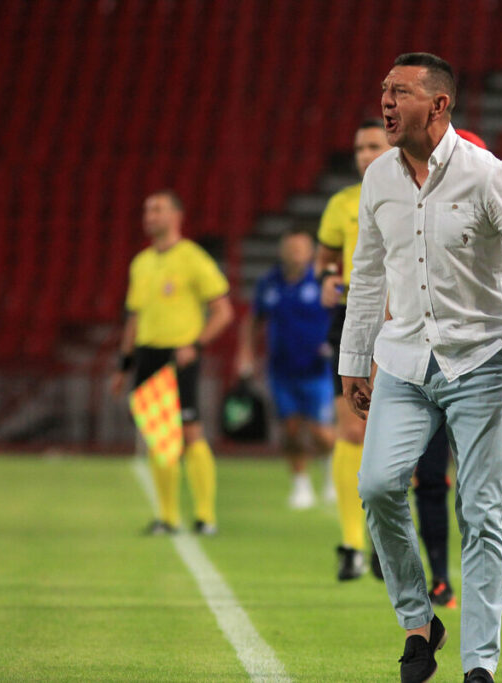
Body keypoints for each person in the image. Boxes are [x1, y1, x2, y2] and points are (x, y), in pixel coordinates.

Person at [341, 53, 502, 683]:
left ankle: (479, 665)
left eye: (400, 92)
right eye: (383, 90)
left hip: (481, 361)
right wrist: (353, 360)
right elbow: (366, 276)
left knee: (481, 511)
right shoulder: (378, 180)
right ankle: (420, 621)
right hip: (403, 360)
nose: (385, 102)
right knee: (378, 487)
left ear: (439, 105)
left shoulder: (490, 176)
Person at [412, 126, 502, 610]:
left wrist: (500, 344)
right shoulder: (426, 222)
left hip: (484, 363)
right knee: (430, 477)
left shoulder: (497, 207)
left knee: (495, 493)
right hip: (429, 365)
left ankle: (485, 571)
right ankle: (440, 576)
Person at [110, 190, 234, 536]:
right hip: (147, 355)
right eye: (147, 209)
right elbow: (133, 319)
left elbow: (223, 312)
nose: (150, 215)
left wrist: (195, 344)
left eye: (158, 209)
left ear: (176, 216)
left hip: (179, 355)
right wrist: (123, 366)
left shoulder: (193, 258)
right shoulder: (141, 262)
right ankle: (167, 517)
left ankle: (206, 516)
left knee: (191, 432)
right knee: (157, 437)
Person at [316, 118, 391, 579]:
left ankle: (387, 541)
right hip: (350, 318)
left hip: (400, 321)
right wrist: (326, 278)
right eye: (360, 147)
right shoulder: (341, 204)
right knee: (350, 431)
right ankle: (351, 544)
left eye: (373, 145)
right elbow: (326, 258)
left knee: (392, 436)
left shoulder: (411, 195)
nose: (364, 154)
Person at [236, 227, 335, 510]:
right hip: (281, 370)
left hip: (317, 369)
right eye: (289, 248)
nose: (294, 254)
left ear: (311, 252)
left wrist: (333, 344)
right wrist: (246, 352)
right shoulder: (270, 283)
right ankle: (301, 484)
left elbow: (342, 313)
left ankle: (330, 473)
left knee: (320, 431)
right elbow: (254, 319)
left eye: (300, 248)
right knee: (290, 429)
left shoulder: (322, 281)